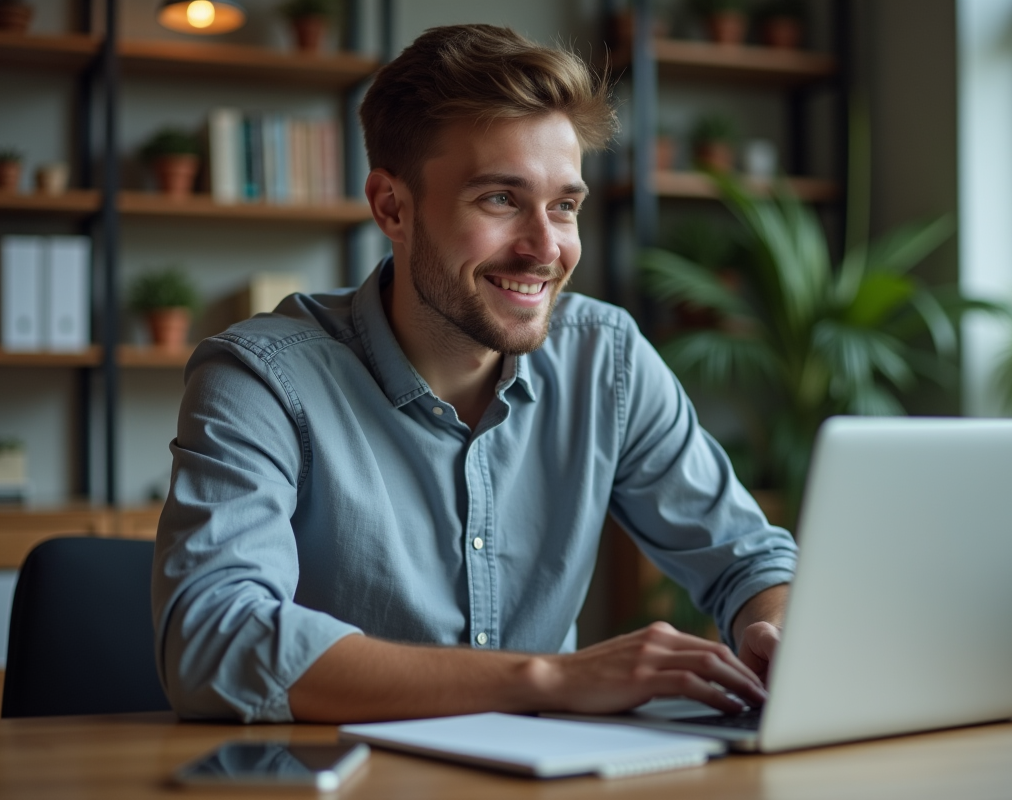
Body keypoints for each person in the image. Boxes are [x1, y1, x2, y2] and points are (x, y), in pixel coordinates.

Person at [152, 23, 797, 723]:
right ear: (391, 207)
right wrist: (545, 679)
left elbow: (748, 562)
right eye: (500, 199)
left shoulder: (605, 358)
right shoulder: (260, 379)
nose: (545, 248)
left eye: (564, 206)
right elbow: (214, 643)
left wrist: (775, 631)